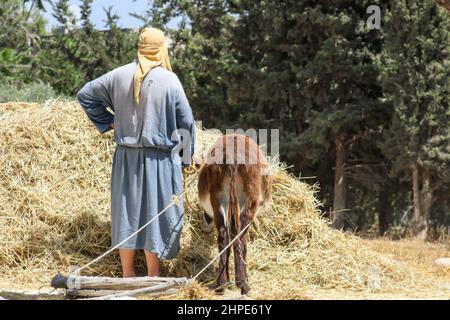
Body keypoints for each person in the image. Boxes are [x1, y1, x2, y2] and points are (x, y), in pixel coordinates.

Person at [76, 27, 196, 277]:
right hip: (160, 159)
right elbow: (186, 123)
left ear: (140, 48)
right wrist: (186, 160)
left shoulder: (118, 75)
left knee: (126, 214)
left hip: (126, 158)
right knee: (155, 214)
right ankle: (153, 277)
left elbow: (85, 94)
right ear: (162, 49)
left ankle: (128, 276)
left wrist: (109, 121)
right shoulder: (170, 80)